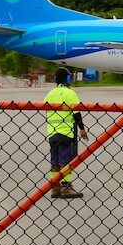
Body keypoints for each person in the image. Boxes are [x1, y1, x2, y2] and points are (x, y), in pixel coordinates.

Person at [44, 67, 90, 199]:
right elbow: (76, 113)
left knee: (55, 161)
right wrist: (81, 128)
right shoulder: (70, 93)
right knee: (66, 161)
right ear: (68, 78)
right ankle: (66, 187)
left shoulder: (50, 94)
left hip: (52, 132)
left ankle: (54, 187)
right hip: (66, 132)